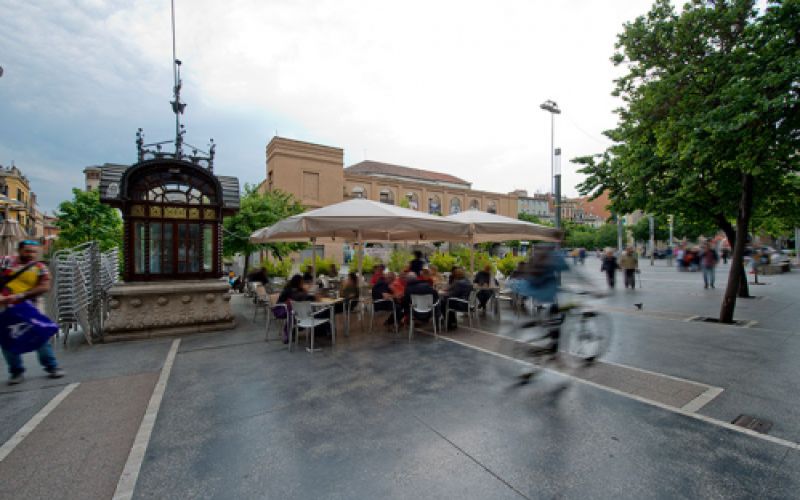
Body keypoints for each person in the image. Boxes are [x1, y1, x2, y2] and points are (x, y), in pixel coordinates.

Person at [1, 240, 64, 385]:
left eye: (34, 251)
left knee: (39, 334)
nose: (31, 254)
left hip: (29, 307)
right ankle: (16, 371)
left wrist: (21, 296)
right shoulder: (5, 262)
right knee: (8, 339)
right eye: (28, 251)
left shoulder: (40, 267)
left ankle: (51, 366)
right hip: (4, 307)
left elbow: (44, 286)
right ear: (20, 250)